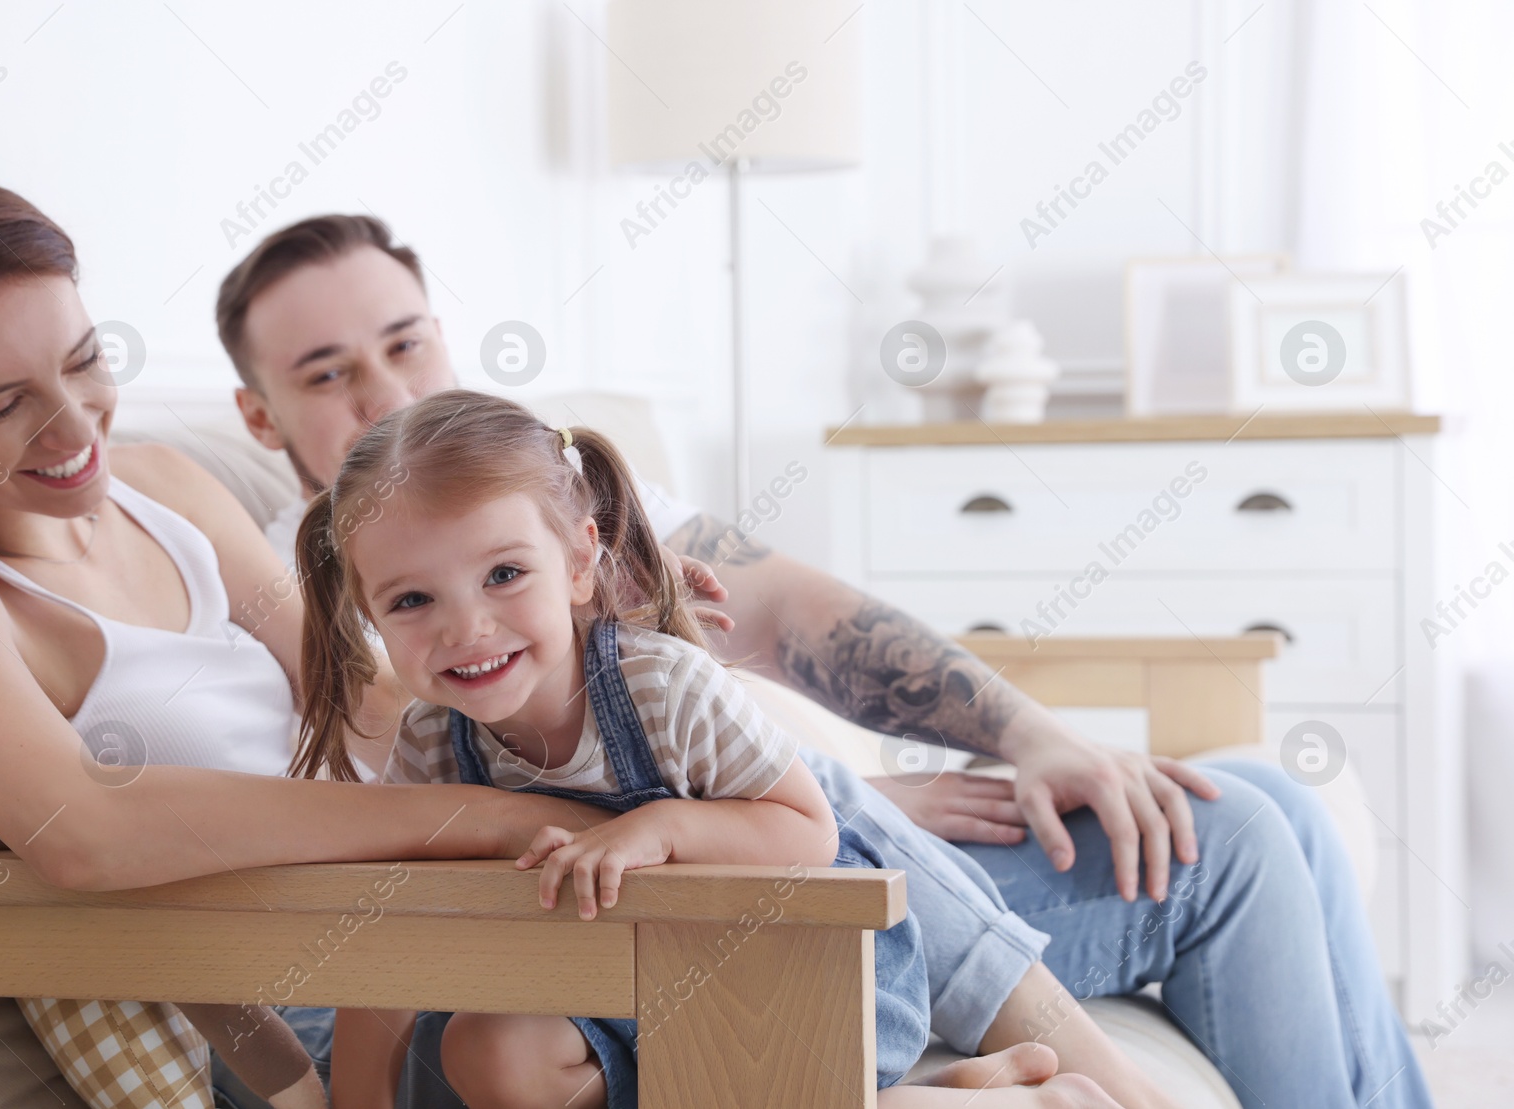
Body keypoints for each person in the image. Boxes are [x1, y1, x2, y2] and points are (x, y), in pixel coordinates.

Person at [0, 168, 1126, 1108]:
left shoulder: (164, 483)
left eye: (85, 361)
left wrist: (605, 686)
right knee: (824, 826)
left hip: (477, 871)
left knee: (827, 803)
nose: (76, 426)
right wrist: (479, 821)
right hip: (365, 931)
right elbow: (86, 827)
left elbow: (371, 699)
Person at [217, 211, 1433, 1109]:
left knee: (1257, 792)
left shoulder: (535, 503)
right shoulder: (323, 583)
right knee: (1239, 836)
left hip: (760, 835)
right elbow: (451, 814)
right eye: (327, 375)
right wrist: (825, 796)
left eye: (404, 342)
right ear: (260, 419)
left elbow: (791, 611)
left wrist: (1030, 735)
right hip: (680, 891)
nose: (385, 393)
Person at [293, 389, 1075, 1107]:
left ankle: (1004, 1091)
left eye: (503, 573)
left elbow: (810, 830)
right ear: (368, 612)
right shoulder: (431, 740)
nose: (465, 628)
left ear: (576, 561)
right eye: (412, 600)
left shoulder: (660, 688)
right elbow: (392, 934)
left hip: (797, 963)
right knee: (486, 1049)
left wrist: (660, 828)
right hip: (607, 986)